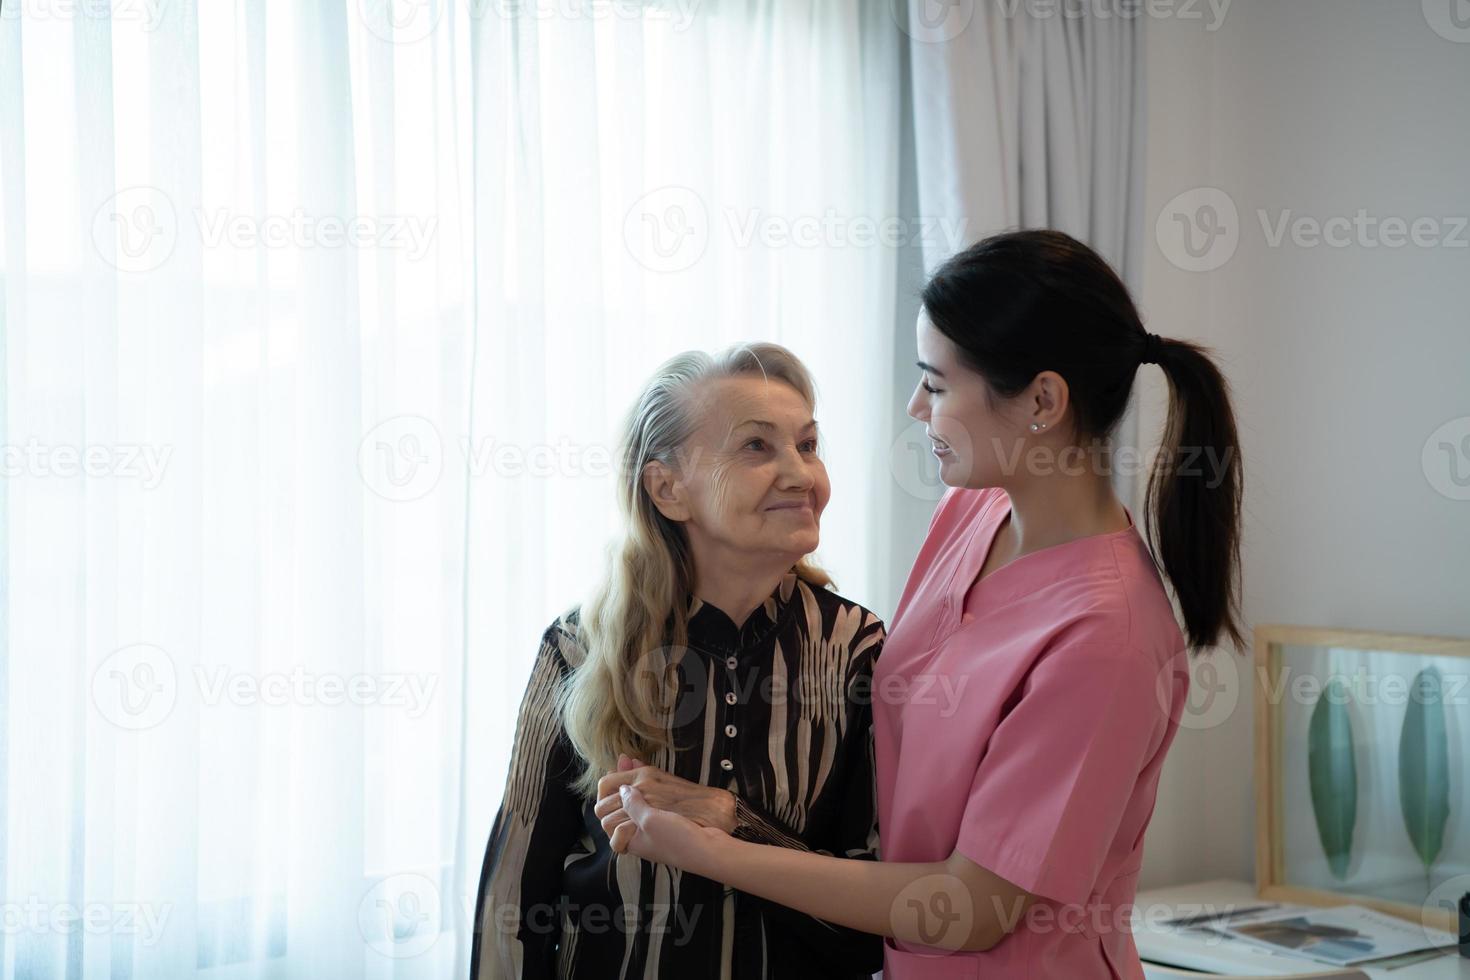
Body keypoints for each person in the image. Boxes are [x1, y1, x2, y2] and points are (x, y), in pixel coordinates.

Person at [598, 229, 1244, 979]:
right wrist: (730, 817)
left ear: (1042, 400)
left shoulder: (1108, 636)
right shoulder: (972, 516)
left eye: (935, 385)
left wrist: (715, 853)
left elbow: (968, 909)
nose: (915, 407)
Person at [470, 343, 886, 979]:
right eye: (756, 446)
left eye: (807, 445)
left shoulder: (857, 647)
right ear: (668, 489)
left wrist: (733, 824)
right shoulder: (578, 646)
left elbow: (874, 921)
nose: (801, 474)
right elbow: (515, 897)